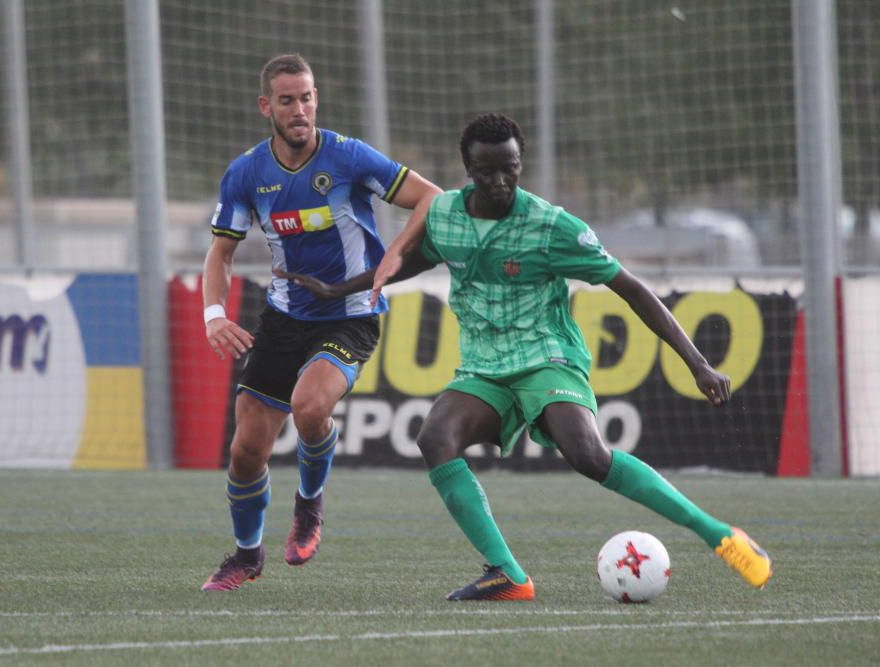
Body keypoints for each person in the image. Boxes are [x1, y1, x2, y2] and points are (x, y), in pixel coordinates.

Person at [276, 112, 772, 601]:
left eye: (509, 168)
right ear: (467, 169)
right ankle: (507, 574)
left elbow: (632, 289)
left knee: (588, 455)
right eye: (487, 171)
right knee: (435, 438)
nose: (500, 181)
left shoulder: (553, 226)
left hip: (547, 358)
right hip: (483, 366)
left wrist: (698, 363)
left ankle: (720, 536)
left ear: (520, 163)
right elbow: (420, 257)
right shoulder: (445, 212)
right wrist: (339, 289)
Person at [199, 54, 441, 592]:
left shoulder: (348, 157)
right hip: (285, 317)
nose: (300, 109)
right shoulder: (246, 173)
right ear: (267, 107)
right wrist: (214, 316)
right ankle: (246, 555)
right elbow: (221, 255)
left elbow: (431, 197)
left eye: (307, 97)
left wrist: (394, 254)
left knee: (311, 407)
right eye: (287, 100)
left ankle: (309, 506)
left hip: (350, 316)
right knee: (245, 451)